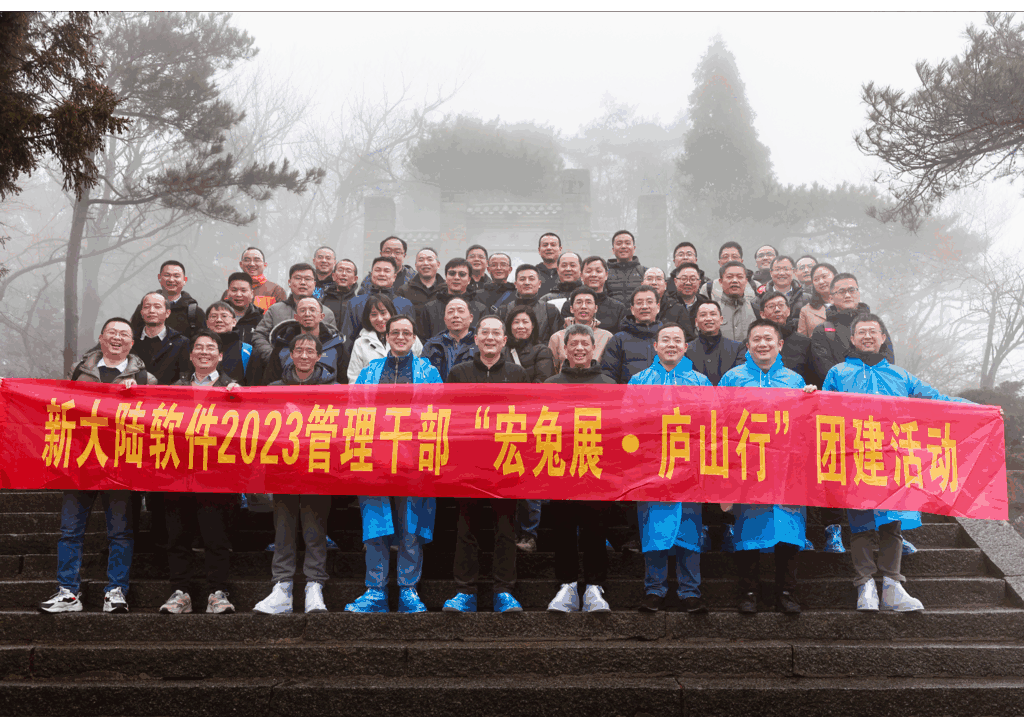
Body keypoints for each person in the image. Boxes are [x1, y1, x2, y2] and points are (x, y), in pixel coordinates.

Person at [822, 313, 971, 612]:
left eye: (873, 332)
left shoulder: (901, 376)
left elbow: (935, 398)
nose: (867, 336)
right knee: (860, 523)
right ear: (852, 339)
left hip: (894, 461)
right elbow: (822, 411)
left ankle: (892, 584)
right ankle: (865, 584)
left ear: (882, 338)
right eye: (861, 332)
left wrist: (977, 409)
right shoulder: (838, 373)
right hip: (856, 459)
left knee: (892, 522)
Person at [40, 318, 156, 614]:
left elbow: (154, 422)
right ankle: (68, 591)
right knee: (70, 531)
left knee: (120, 532)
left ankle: (116, 590)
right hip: (80, 461)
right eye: (112, 333)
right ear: (101, 337)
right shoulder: (79, 371)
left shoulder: (145, 378)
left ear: (132, 343)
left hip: (120, 464)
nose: (117, 338)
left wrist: (139, 395)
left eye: (124, 334)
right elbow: (58, 406)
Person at [719, 319, 817, 614]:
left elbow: (806, 425)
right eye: (756, 339)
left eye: (768, 339)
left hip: (786, 467)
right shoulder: (732, 378)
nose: (762, 344)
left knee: (788, 528)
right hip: (747, 465)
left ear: (780, 344)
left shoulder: (795, 381)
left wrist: (812, 401)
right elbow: (718, 421)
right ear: (747, 345)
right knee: (748, 528)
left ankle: (786, 592)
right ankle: (749, 591)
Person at [345, 315, 440, 613]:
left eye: (406, 333)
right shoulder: (369, 371)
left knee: (412, 524)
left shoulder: (429, 372)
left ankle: (408, 589)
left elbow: (440, 412)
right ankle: (375, 590)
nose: (400, 337)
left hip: (415, 458)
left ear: (414, 338)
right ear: (386, 336)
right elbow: (354, 410)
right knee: (376, 523)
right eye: (395, 332)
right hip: (375, 458)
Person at [443, 316, 529, 613]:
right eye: (485, 333)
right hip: (468, 463)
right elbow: (450, 416)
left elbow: (527, 417)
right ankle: (465, 591)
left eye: (496, 333)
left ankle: (503, 591)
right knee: (466, 527)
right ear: (476, 339)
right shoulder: (459, 373)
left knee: (505, 529)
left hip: (506, 462)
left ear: (504, 340)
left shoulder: (518, 374)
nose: (490, 338)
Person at [629, 324, 712, 613]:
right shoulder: (639, 381)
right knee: (653, 530)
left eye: (678, 340)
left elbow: (712, 423)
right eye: (665, 340)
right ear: (655, 346)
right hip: (652, 468)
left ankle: (690, 591)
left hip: (689, 467)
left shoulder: (700, 381)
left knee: (690, 529)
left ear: (686, 347)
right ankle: (655, 589)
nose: (671, 344)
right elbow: (628, 423)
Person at [158, 330, 239, 616]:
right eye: (199, 348)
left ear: (220, 356)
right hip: (179, 472)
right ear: (191, 355)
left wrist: (238, 399)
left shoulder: (234, 389)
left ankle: (218, 592)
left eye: (211, 348)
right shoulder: (174, 389)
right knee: (178, 536)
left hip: (217, 475)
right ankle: (180, 592)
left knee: (216, 537)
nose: (205, 352)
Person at [253, 339, 335, 615]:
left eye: (310, 351)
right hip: (283, 467)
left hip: (318, 467)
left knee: (315, 527)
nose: (304, 355)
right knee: (283, 526)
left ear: (319, 356)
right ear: (290, 355)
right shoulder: (275, 389)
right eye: (298, 350)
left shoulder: (333, 389)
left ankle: (315, 584)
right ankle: (282, 585)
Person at [545, 324, 616, 612]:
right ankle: (568, 585)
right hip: (560, 467)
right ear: (564, 348)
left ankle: (595, 587)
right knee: (563, 527)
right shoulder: (550, 385)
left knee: (595, 529)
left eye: (585, 344)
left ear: (593, 347)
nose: (579, 349)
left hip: (596, 467)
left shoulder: (609, 385)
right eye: (573, 343)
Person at [810, 272, 895, 384]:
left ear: (858, 293)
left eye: (852, 290)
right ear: (831, 298)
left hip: (877, 388)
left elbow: (888, 361)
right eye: (841, 291)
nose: (847, 295)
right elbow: (826, 372)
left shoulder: (876, 325)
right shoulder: (822, 331)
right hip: (841, 391)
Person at [252, 263, 338, 362]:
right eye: (298, 278)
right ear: (289, 282)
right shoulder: (275, 310)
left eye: (308, 279)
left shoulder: (327, 313)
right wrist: (273, 357)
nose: (303, 282)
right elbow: (259, 335)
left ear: (314, 284)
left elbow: (332, 342)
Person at [262, 297, 347, 385]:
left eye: (312, 310)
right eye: (302, 310)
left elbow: (344, 382)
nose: (307, 314)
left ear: (322, 316)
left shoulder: (336, 345)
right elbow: (270, 381)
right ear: (296, 317)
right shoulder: (282, 345)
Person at [347, 295, 423, 383]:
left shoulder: (409, 337)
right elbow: (354, 378)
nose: (379, 319)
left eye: (383, 313)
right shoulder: (360, 343)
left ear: (391, 313)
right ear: (368, 317)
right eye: (374, 314)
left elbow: (422, 370)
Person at [341, 257, 416, 345]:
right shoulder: (355, 303)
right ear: (371, 274)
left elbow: (411, 337)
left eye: (386, 271)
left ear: (394, 277)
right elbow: (348, 338)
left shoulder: (405, 304)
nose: (382, 274)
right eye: (378, 270)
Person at [549, 288, 614, 383]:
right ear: (571, 308)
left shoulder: (606, 337)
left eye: (588, 302)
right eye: (579, 302)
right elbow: (553, 370)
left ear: (596, 308)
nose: (583, 306)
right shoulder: (557, 337)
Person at [601, 285, 663, 384]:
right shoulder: (619, 340)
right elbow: (608, 376)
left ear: (658, 307)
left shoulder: (667, 338)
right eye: (639, 303)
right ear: (632, 309)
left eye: (649, 302)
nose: (644, 306)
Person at [129, 260, 205, 339]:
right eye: (167, 275)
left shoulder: (194, 312)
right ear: (159, 278)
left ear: (185, 280)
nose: (171, 280)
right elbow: (132, 337)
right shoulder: (145, 308)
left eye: (176, 276)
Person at [416, 258, 486, 341]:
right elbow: (422, 341)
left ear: (469, 280)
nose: (456, 277)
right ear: (446, 277)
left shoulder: (480, 309)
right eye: (452, 273)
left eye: (462, 274)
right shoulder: (429, 308)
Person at [131, 291, 191, 386]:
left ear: (167, 313)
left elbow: (185, 379)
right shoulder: (130, 340)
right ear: (141, 312)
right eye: (147, 307)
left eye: (157, 307)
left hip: (168, 394)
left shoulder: (181, 342)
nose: (151, 310)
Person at [557, 256, 628, 334]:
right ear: (581, 275)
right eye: (588, 271)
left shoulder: (618, 308)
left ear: (606, 275)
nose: (593, 275)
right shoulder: (570, 305)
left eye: (598, 271)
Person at [496, 264, 562, 344]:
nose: (527, 283)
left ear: (539, 284)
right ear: (515, 284)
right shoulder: (503, 311)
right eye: (522, 279)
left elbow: (556, 342)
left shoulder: (550, 310)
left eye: (531, 279)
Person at [685, 301, 745, 386]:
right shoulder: (686, 350)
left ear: (721, 320)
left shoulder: (737, 348)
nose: (708, 318)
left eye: (713, 314)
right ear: (696, 322)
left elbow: (740, 380)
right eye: (703, 315)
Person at [759, 291, 813, 385]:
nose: (777, 310)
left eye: (781, 305)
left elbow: (813, 379)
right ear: (762, 314)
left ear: (788, 311)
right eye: (771, 306)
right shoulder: (754, 343)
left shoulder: (805, 343)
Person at [420, 297, 476, 380]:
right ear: (445, 319)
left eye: (461, 311)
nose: (455, 315)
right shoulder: (432, 345)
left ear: (471, 318)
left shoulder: (479, 344)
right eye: (450, 312)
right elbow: (423, 377)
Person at [205, 301, 255, 385]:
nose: (219, 320)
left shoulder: (247, 351)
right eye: (213, 316)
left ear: (234, 322)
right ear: (207, 323)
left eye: (224, 316)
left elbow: (255, 384)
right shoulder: (197, 348)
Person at [504, 306, 555, 383]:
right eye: (516, 322)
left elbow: (543, 382)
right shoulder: (501, 351)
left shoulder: (542, 351)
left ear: (533, 325)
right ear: (510, 326)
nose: (520, 326)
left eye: (525, 322)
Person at [643, 267, 696, 340]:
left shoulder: (677, 309)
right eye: (649, 279)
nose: (654, 283)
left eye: (658, 279)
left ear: (665, 285)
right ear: (642, 284)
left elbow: (688, 338)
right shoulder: (635, 307)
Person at [711, 261, 758, 342]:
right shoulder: (712, 310)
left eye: (740, 277)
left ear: (746, 281)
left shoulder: (756, 309)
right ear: (721, 282)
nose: (735, 280)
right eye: (729, 277)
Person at [757, 256, 805, 330]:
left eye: (786, 269)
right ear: (771, 273)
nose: (782, 273)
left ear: (794, 271)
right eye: (777, 269)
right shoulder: (759, 299)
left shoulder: (806, 298)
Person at [223, 272, 264, 346]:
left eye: (243, 290)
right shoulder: (217, 317)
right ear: (228, 293)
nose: (238, 294)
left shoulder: (260, 320)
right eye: (234, 290)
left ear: (251, 294)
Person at [605, 230, 646, 303]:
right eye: (619, 243)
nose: (623, 246)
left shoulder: (644, 272)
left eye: (627, 243)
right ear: (613, 250)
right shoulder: (604, 274)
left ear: (634, 248)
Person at [798, 262, 837, 338]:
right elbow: (801, 341)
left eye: (824, 276)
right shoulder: (806, 311)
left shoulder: (848, 303)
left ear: (835, 276)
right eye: (816, 279)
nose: (821, 282)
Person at [321, 259, 359, 326]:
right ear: (333, 276)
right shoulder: (322, 300)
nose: (343, 273)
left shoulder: (358, 303)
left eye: (348, 271)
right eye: (340, 270)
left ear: (355, 279)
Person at [536, 232, 562, 297]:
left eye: (553, 245)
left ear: (560, 249)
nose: (549, 248)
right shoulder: (533, 273)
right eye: (545, 245)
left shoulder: (567, 273)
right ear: (539, 250)